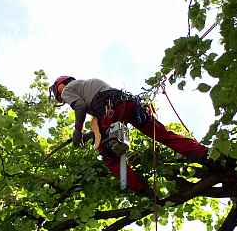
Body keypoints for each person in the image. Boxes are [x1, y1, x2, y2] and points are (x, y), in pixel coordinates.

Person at [49, 76, 209, 193]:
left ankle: (141, 189)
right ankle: (205, 155)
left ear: (61, 85)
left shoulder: (68, 90)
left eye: (57, 91)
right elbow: (102, 126)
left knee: (110, 156)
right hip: (130, 104)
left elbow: (80, 106)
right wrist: (89, 135)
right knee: (162, 134)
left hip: (111, 108)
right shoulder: (88, 86)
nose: (60, 97)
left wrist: (77, 131)